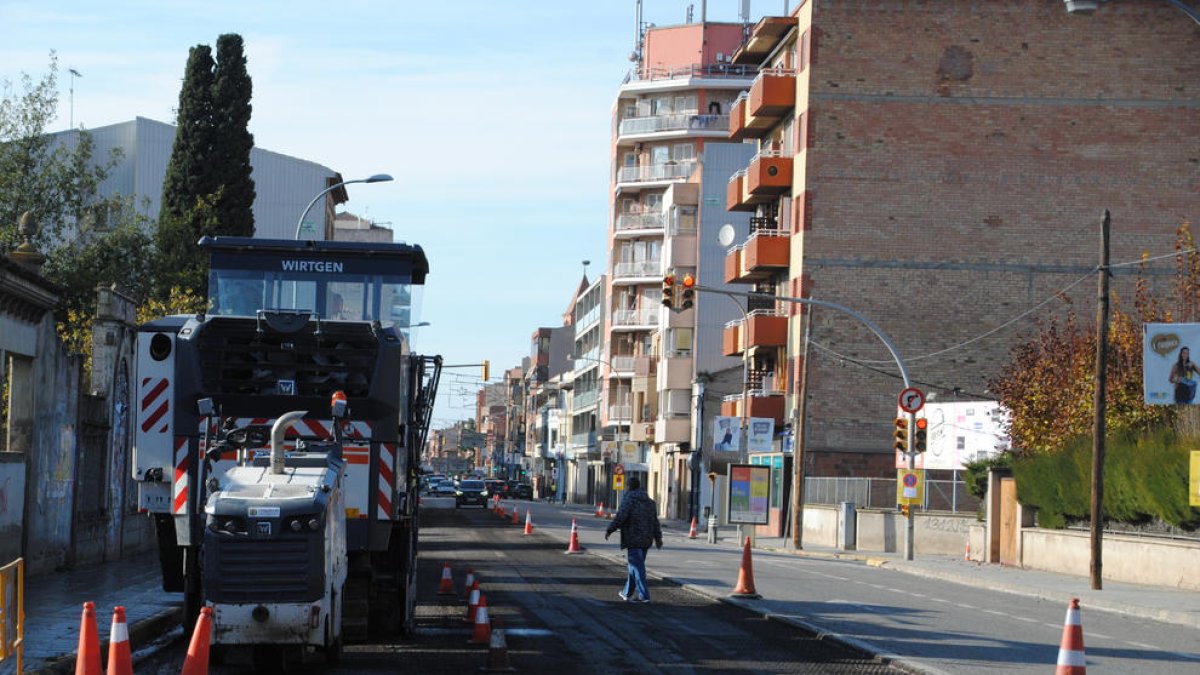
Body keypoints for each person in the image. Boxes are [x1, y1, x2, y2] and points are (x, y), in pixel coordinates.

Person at [604, 476, 662, 603]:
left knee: (637, 567)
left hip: (633, 538)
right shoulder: (650, 502)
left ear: (629, 487)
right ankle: (626, 592)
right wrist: (658, 538)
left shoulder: (629, 500)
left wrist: (610, 529)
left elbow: (621, 517)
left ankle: (644, 595)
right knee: (634, 567)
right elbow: (655, 522)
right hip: (646, 539)